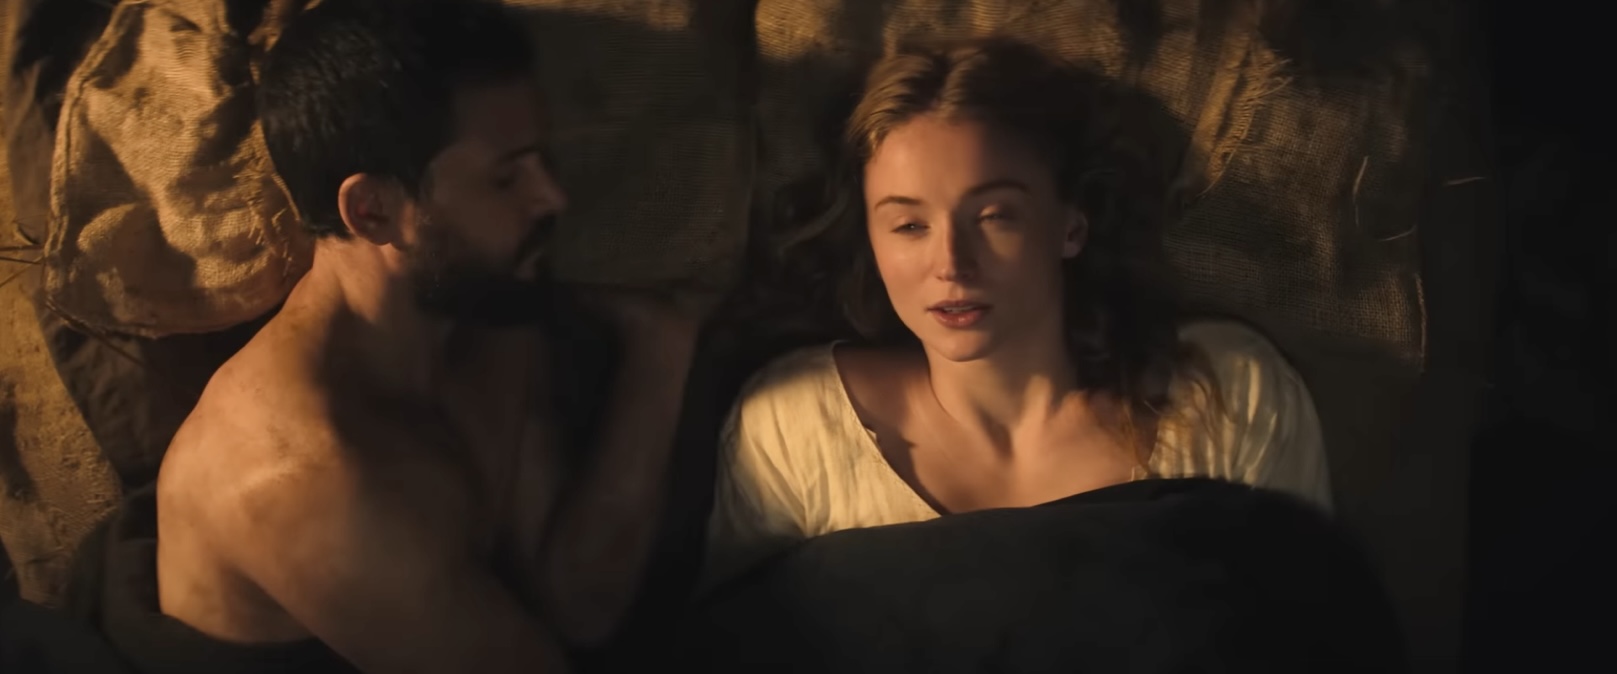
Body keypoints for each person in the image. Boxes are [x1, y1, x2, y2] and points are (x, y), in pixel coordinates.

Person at [144, 1, 702, 672]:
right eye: (506, 176)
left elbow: (581, 602)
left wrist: (660, 349)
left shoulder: (476, 307)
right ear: (373, 211)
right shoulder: (310, 476)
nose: (553, 197)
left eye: (542, 160)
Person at [703, 37, 1332, 588]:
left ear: (1071, 225)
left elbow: (1309, 632)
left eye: (994, 216)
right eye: (909, 225)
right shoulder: (796, 428)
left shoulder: (1226, 399)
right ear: (870, 238)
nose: (952, 263)